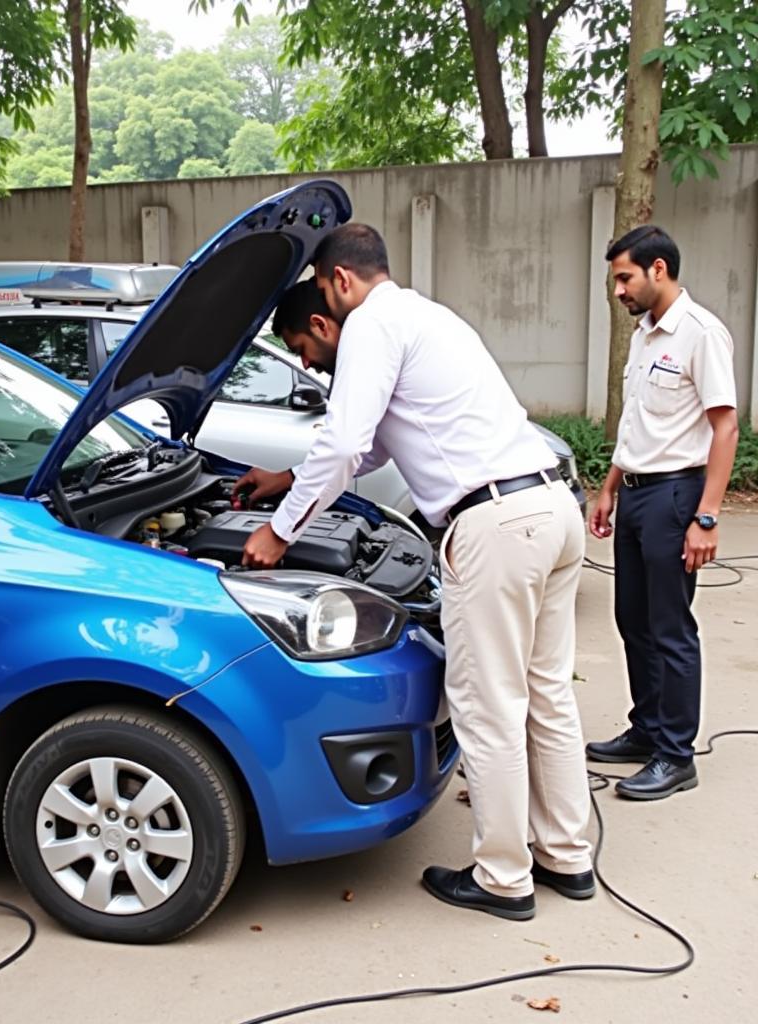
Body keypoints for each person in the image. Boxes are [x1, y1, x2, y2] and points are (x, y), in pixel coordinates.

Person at [234, 225, 594, 921]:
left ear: (334, 289)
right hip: (550, 507)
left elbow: (342, 441)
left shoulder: (368, 323)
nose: (310, 366)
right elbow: (371, 446)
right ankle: (565, 856)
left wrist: (280, 533)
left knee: (488, 705)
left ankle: (502, 878)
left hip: (494, 525)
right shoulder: (428, 315)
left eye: (305, 351)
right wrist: (285, 479)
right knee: (548, 695)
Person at [587, 225, 738, 800]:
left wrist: (707, 516)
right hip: (636, 494)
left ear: (657, 269)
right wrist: (609, 487)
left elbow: (725, 426)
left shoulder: (701, 334)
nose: (619, 290)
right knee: (633, 620)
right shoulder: (646, 335)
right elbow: (638, 424)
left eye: (624, 277)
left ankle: (677, 755)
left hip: (678, 497)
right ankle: (647, 730)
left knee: (671, 629)